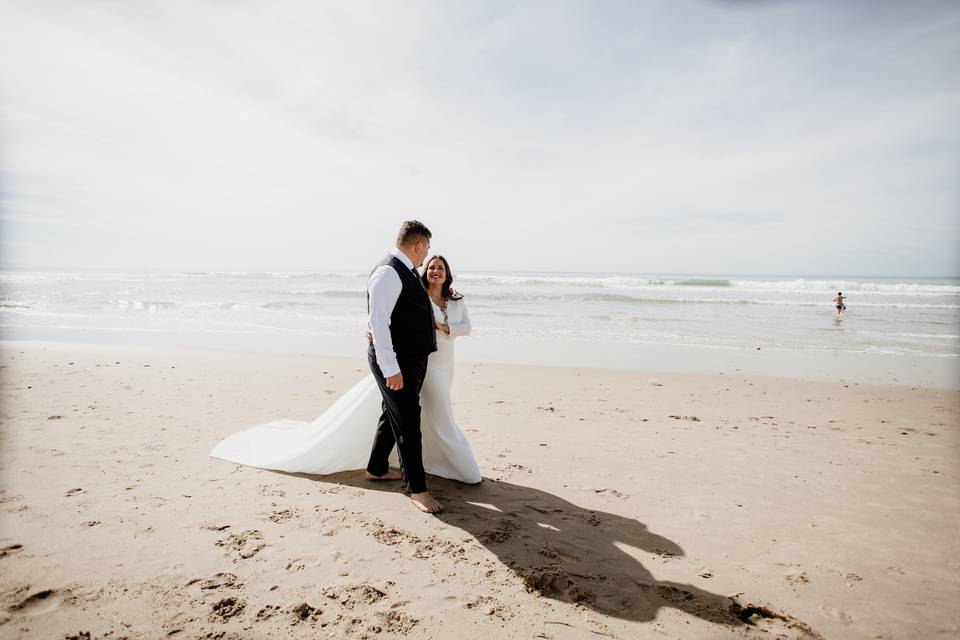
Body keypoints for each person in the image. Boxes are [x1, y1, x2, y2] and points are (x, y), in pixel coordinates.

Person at [208, 222, 481, 514]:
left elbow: (398, 314)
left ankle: (376, 468)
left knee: (392, 414)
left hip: (411, 359)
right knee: (409, 421)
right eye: (426, 247)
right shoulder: (388, 272)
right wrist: (391, 369)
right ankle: (417, 490)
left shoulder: (409, 271)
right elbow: (378, 321)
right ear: (417, 246)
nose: (426, 253)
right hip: (397, 362)